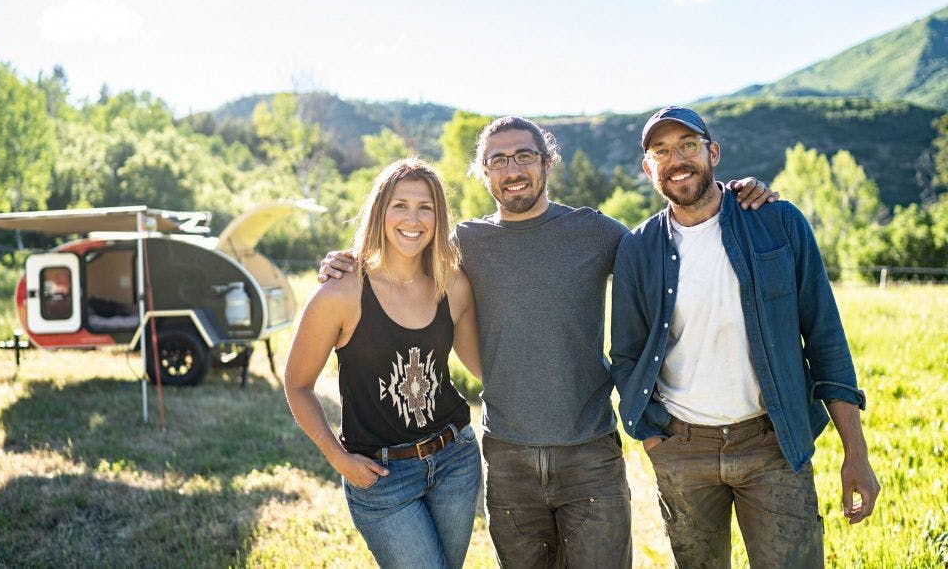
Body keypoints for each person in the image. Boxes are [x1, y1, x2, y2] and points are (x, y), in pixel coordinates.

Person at [320, 116, 776, 567]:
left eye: (524, 156)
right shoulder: (464, 243)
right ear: (483, 173)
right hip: (507, 456)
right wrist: (343, 261)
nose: (512, 169)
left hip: (589, 453)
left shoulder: (594, 232)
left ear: (548, 163)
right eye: (498, 160)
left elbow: (672, 239)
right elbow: (398, 256)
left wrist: (734, 196)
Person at [610, 106, 881, 568]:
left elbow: (825, 337)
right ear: (647, 167)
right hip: (683, 449)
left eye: (688, 146)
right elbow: (626, 354)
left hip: (772, 443)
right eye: (661, 151)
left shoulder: (776, 221)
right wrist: (655, 439)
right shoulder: (638, 248)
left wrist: (855, 452)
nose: (676, 160)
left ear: (713, 152)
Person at [285, 158, 483, 569]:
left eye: (425, 207)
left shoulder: (453, 284)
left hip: (455, 460)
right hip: (382, 476)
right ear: (380, 211)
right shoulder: (342, 291)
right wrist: (337, 457)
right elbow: (297, 384)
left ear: (438, 216)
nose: (413, 218)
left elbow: (483, 366)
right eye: (400, 205)